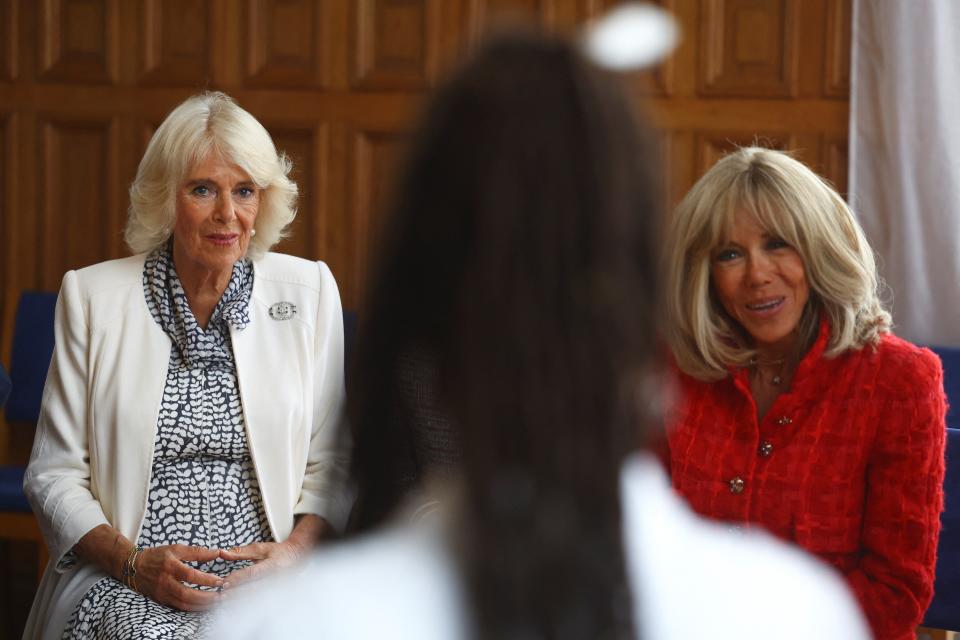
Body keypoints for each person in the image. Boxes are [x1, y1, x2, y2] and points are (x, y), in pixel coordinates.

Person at [211, 28, 869, 640]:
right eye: (732, 253)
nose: (754, 274)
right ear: (644, 304)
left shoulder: (285, 623)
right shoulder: (791, 611)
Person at [22, 92, 353, 639]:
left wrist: (294, 554)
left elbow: (334, 463)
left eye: (244, 191)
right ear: (164, 199)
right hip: (130, 576)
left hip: (265, 577)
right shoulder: (93, 297)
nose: (228, 214)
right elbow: (53, 476)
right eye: (203, 189)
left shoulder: (309, 291)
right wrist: (132, 564)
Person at [662, 146, 947, 639]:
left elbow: (895, 591)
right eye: (730, 254)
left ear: (818, 248)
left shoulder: (899, 380)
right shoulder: (677, 370)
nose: (756, 274)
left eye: (778, 244)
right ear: (705, 274)